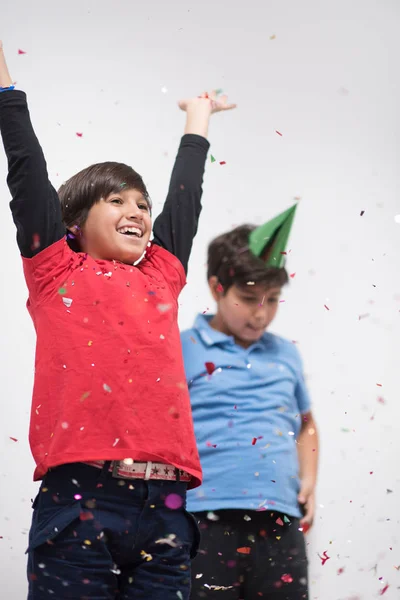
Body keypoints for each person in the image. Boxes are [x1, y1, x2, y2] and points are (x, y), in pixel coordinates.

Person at [0, 41, 236, 599]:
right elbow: (27, 170)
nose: (136, 212)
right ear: (74, 224)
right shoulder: (55, 268)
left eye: (141, 204)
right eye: (116, 201)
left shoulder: (162, 274)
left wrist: (197, 119)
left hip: (168, 505)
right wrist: (7, 93)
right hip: (82, 498)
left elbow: (186, 202)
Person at [180, 213, 319, 599]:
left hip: (278, 519)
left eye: (272, 300)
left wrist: (308, 481)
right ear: (216, 287)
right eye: (247, 299)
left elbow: (306, 424)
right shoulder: (180, 348)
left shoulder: (286, 354)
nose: (261, 313)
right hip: (203, 517)